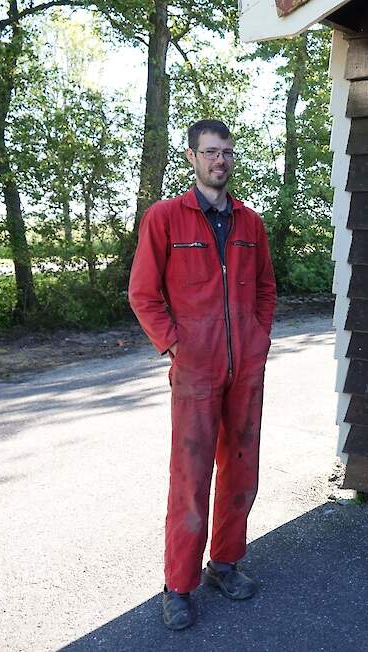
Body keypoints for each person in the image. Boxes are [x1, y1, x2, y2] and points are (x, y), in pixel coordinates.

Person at [128, 119, 276, 630]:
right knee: (190, 480)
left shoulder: (250, 224)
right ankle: (179, 585)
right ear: (192, 157)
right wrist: (175, 345)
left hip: (245, 370)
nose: (221, 161)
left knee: (241, 470)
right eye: (211, 152)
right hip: (196, 370)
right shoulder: (166, 218)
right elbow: (143, 294)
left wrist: (259, 339)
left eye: (227, 153)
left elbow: (265, 290)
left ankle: (225, 564)